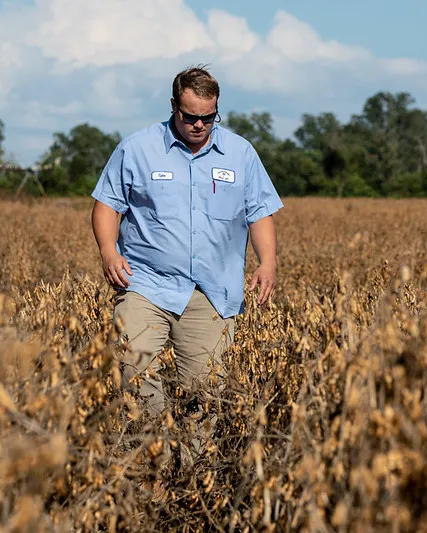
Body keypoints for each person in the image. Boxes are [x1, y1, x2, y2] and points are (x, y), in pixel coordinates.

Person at [90, 65, 283, 431]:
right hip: (145, 284)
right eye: (191, 116)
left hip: (213, 293)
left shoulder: (240, 154)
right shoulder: (137, 148)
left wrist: (268, 262)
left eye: (208, 118)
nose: (199, 125)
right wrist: (108, 251)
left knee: (207, 394)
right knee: (133, 372)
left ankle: (194, 476)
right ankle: (148, 463)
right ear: (173, 106)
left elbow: (259, 212)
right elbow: (107, 204)